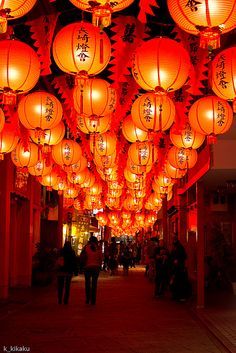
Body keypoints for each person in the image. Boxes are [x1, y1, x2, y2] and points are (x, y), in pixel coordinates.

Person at [81, 235, 102, 305]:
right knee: (94, 284)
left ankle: (87, 299)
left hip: (87, 267)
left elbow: (82, 257)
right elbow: (100, 258)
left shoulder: (85, 248)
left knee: (87, 283)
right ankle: (93, 300)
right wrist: (99, 265)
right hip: (96, 267)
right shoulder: (98, 248)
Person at [56, 241, 77, 305]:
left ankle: (59, 299)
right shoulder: (72, 252)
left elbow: (57, 259)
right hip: (69, 271)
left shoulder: (61, 251)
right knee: (67, 286)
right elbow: (74, 262)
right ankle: (65, 300)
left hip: (61, 271)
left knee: (60, 286)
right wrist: (75, 270)